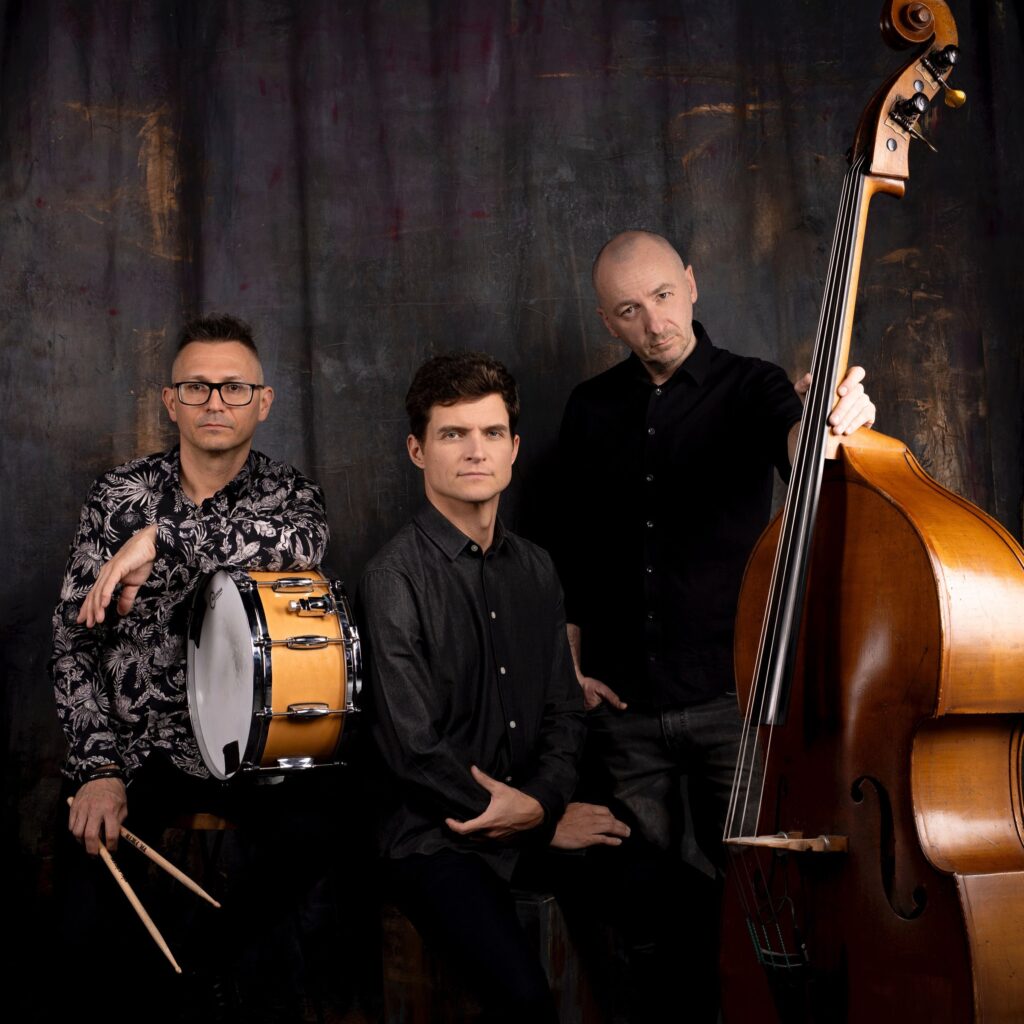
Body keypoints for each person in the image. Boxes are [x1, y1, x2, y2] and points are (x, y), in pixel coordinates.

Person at [554, 230, 876, 1014]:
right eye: (629, 310)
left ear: (692, 284)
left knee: (771, 901)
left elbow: (803, 453)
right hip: (624, 714)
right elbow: (572, 551)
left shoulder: (754, 386)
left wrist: (833, 418)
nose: (653, 322)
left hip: (733, 705)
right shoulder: (590, 408)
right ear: (606, 321)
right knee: (650, 919)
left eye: (664, 296)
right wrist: (569, 666)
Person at [50, 313, 340, 1018]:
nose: (215, 401)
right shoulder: (118, 496)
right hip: (136, 748)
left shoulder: (292, 497)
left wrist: (163, 540)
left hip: (255, 752)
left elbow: (299, 547)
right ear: (170, 401)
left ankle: (201, 964)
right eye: (197, 387)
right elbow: (72, 642)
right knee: (77, 940)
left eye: (234, 387)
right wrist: (97, 769)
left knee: (326, 830)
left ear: (263, 402)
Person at [359, 352, 587, 1023]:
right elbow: (414, 749)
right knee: (524, 1001)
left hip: (531, 817)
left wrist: (540, 804)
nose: (475, 451)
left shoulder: (537, 568)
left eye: (491, 433)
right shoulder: (392, 578)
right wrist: (528, 820)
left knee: (672, 900)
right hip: (436, 839)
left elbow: (565, 711)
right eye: (453, 434)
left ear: (514, 448)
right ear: (417, 451)